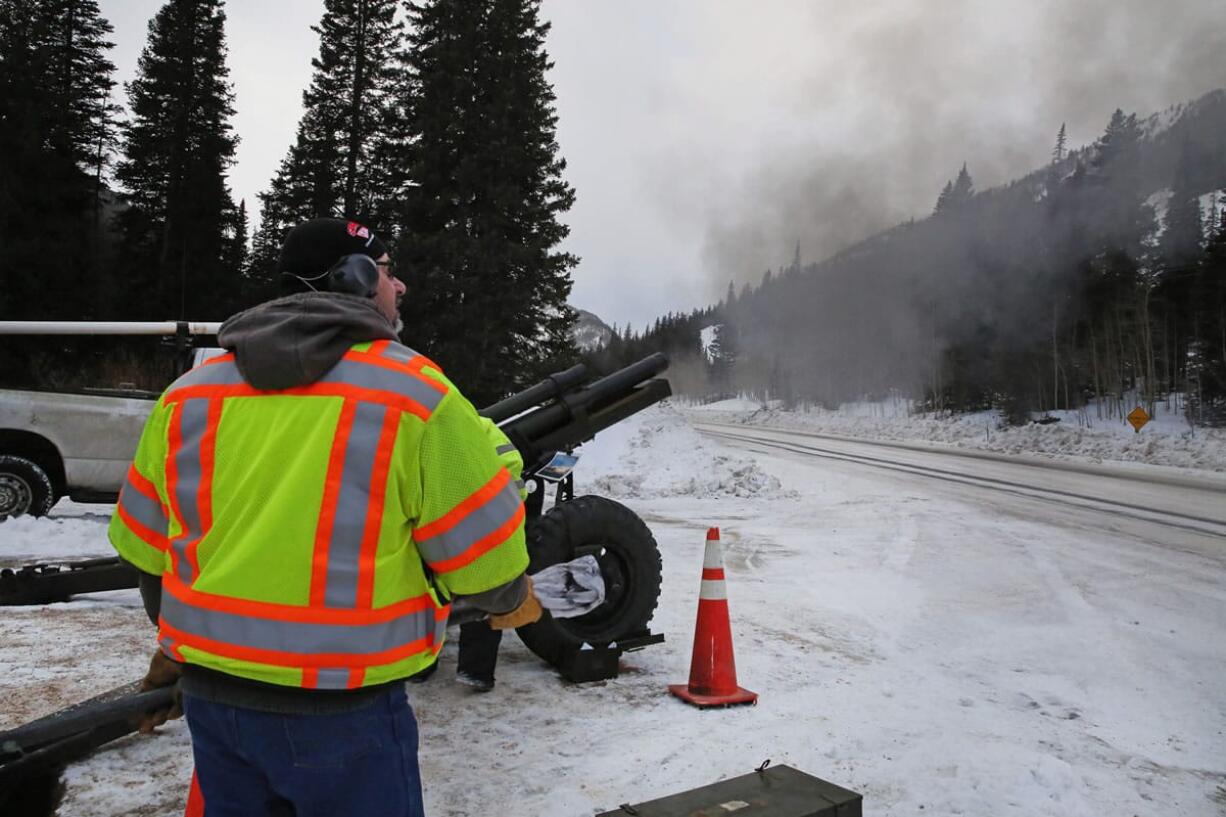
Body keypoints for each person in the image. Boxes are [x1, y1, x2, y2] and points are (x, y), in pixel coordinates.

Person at [108, 217, 542, 817]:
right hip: (344, 715)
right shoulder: (415, 396)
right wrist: (511, 582)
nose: (401, 287)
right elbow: (487, 573)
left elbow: (149, 559)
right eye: (389, 271)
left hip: (214, 706)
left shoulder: (189, 396)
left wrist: (182, 653)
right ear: (358, 278)